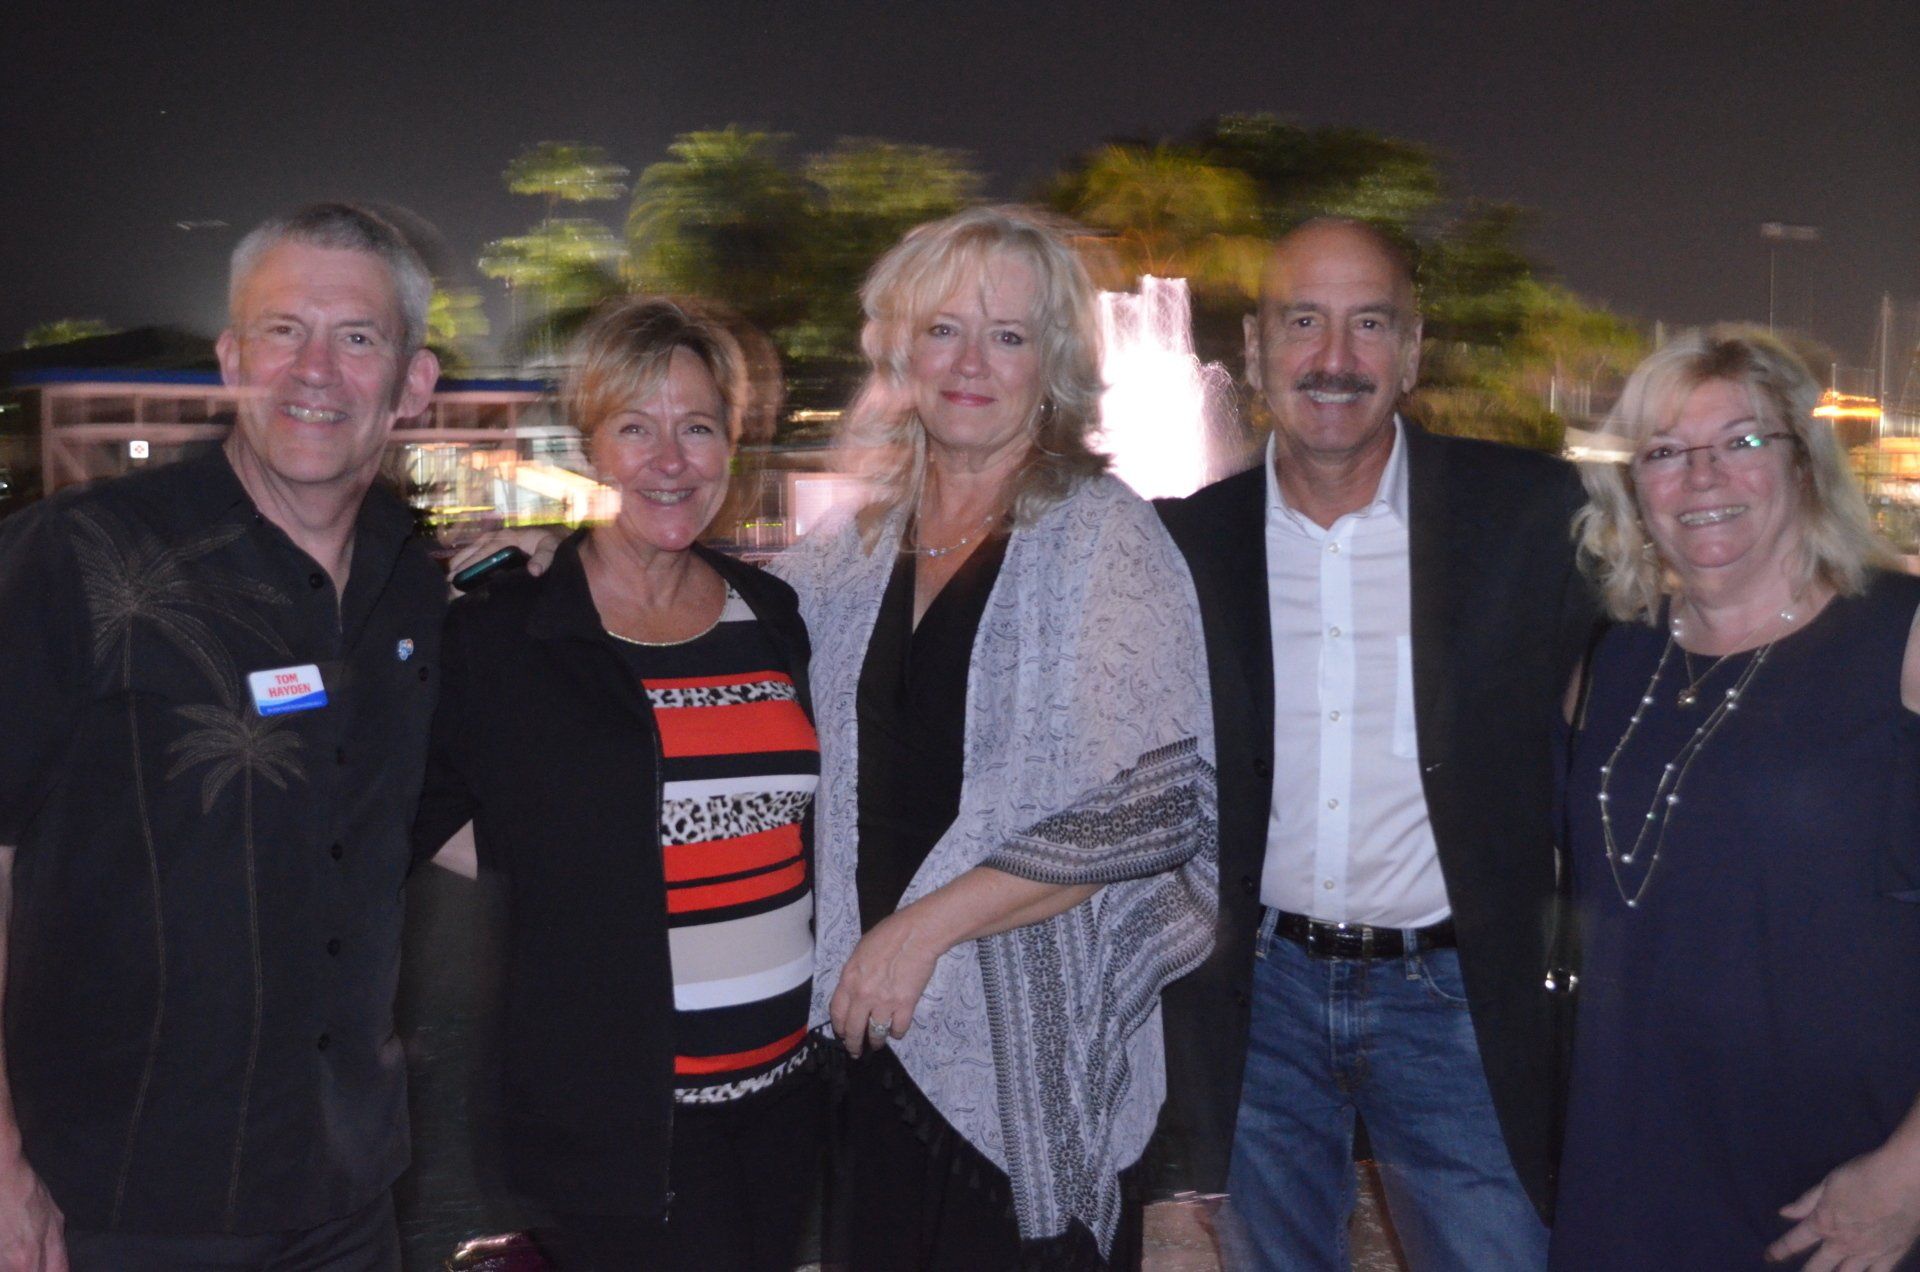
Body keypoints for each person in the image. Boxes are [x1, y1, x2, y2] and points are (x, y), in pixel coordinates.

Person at [772, 204, 1218, 1270]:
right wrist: (587, 574)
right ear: (901, 352)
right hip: (872, 1042)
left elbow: (1154, 805)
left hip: (1025, 1057)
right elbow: (714, 637)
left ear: (1051, 366)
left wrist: (919, 932)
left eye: (1007, 336)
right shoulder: (850, 553)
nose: (971, 363)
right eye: (944, 330)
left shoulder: (1105, 534)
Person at [0, 202, 443, 1269]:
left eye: (357, 337)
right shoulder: (82, 557)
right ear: (233, 357)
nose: (315, 370)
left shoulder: (410, 578)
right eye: (283, 330)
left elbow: (444, 809)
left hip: (346, 1194)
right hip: (119, 1198)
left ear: (411, 384)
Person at [1155, 218, 1596, 1270]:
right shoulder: (1188, 544)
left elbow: (1657, 684)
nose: (1335, 358)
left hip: (1458, 1001)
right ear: (1255, 348)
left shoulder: (1533, 515)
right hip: (1260, 1004)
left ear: (1413, 348)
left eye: (1369, 324)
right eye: (1303, 321)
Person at [414, 297, 823, 1271]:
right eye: (636, 428)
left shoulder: (771, 613)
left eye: (698, 427)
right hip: (616, 1121)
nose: (670, 460)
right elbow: (410, 803)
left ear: (732, 444)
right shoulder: (512, 628)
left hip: (781, 1098)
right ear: (593, 446)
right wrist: (561, 866)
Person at [1552, 328, 1920, 1271]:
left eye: (1742, 441)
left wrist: (1907, 1174)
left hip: (1838, 1188)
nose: (1702, 477)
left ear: (1804, 462)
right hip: (1629, 1169)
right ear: (1635, 489)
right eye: (1666, 452)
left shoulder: (1901, 637)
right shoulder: (1614, 657)